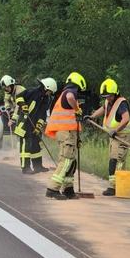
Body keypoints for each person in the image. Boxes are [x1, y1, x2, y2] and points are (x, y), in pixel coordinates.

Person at [84, 78, 130, 196]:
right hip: (114, 136)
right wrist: (92, 116)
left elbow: (126, 119)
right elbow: (103, 109)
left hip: (122, 136)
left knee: (117, 161)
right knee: (112, 160)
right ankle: (114, 186)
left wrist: (116, 130)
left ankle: (115, 187)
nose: (107, 98)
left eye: (109, 96)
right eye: (105, 97)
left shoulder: (121, 103)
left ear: (115, 93)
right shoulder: (108, 101)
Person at [44, 72, 86, 200]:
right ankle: (52, 189)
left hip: (67, 133)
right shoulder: (70, 90)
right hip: (65, 133)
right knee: (66, 160)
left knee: (71, 162)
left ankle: (68, 189)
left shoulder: (64, 91)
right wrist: (77, 110)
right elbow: (70, 97)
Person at [13, 78, 58, 174]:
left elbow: (42, 114)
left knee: (35, 145)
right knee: (26, 145)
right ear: (46, 88)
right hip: (24, 123)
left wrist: (39, 126)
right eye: (49, 92)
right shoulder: (32, 91)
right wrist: (23, 105)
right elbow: (19, 97)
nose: (49, 94)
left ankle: (38, 166)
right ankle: (25, 168)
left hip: (33, 125)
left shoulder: (46, 99)